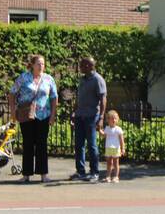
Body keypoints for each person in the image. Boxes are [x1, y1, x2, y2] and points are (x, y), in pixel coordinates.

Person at [7, 54, 58, 183]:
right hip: (27, 115)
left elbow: (54, 97)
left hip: (43, 115)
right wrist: (13, 111)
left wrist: (52, 115)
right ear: (32, 65)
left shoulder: (49, 79)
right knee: (28, 144)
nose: (41, 66)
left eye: (43, 64)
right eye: (38, 63)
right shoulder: (24, 77)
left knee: (42, 144)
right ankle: (26, 174)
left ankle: (43, 174)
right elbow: (12, 93)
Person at [70, 56, 107, 183]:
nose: (80, 67)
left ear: (90, 66)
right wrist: (74, 112)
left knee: (92, 145)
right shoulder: (82, 79)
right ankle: (80, 171)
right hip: (80, 115)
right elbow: (79, 97)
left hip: (91, 116)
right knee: (79, 144)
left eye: (82, 65)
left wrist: (101, 117)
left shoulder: (98, 79)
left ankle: (94, 172)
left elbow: (103, 99)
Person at [99, 109, 125, 183]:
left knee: (116, 163)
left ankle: (116, 176)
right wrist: (100, 130)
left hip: (116, 148)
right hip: (108, 148)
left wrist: (123, 148)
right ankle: (108, 176)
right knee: (109, 163)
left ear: (117, 120)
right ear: (108, 120)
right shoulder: (107, 128)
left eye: (115, 118)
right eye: (112, 118)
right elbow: (104, 135)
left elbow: (121, 140)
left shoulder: (118, 129)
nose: (114, 120)